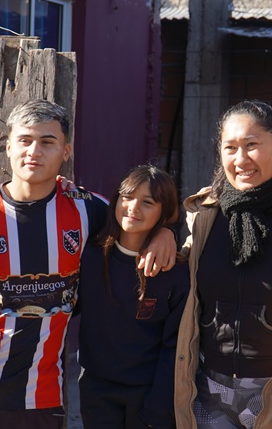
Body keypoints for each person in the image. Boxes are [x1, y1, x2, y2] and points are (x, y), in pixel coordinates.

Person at [0, 100, 177, 428]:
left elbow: (138, 222)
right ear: (8, 147)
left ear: (65, 151)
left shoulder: (91, 211)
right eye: (25, 140)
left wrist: (167, 232)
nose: (34, 151)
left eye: (47, 142)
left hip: (40, 398)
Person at [175, 100, 272, 429]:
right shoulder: (206, 214)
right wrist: (162, 236)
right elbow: (181, 265)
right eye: (230, 148)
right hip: (208, 389)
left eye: (252, 145)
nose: (240, 160)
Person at [78, 165, 190, 429]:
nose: (133, 208)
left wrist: (158, 410)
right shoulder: (89, 255)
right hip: (96, 391)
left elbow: (175, 346)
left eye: (147, 202)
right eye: (127, 197)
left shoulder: (174, 271)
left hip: (149, 395)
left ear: (165, 212)